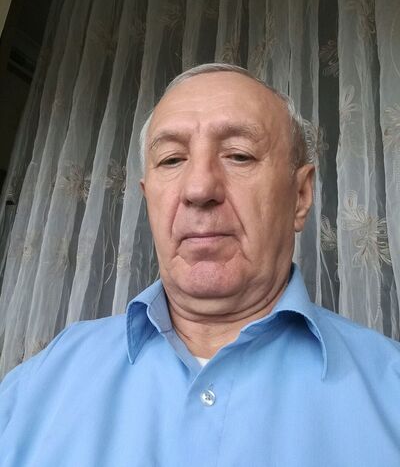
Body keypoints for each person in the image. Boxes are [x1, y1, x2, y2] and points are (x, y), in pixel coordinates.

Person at [0, 63, 399, 467]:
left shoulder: (390, 390)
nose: (199, 188)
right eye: (172, 159)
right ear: (148, 197)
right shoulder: (44, 380)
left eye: (239, 155)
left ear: (300, 196)